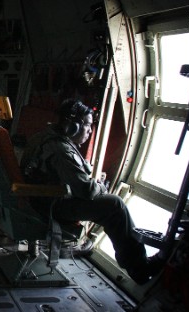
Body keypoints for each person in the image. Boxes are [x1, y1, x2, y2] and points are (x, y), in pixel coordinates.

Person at [20, 98, 164, 285]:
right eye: (87, 125)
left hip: (41, 198)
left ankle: (136, 263)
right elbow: (86, 190)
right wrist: (101, 186)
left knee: (110, 204)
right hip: (50, 205)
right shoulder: (61, 150)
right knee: (115, 206)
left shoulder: (44, 136)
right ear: (73, 127)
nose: (89, 131)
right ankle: (140, 268)